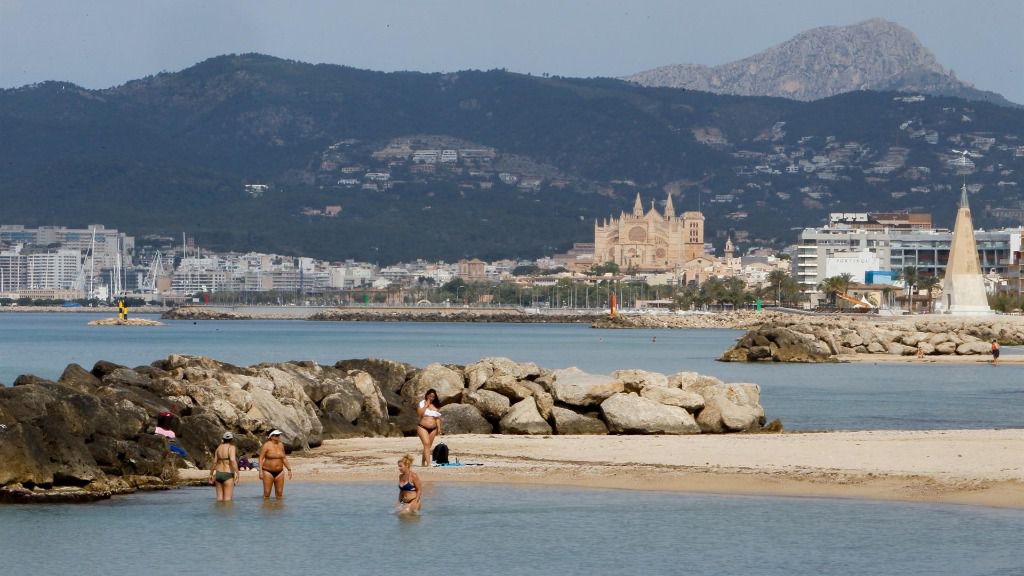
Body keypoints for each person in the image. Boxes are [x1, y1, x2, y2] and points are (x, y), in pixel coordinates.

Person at [258, 429, 292, 499]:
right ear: (271, 436)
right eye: (276, 435)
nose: (278, 437)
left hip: (280, 472)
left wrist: (289, 469)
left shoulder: (281, 445)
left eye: (279, 435)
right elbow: (261, 458)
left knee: (279, 494)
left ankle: (279, 509)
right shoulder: (266, 445)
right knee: (267, 494)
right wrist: (260, 471)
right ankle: (267, 508)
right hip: (267, 472)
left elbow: (284, 458)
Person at [208, 431, 239, 501]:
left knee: (219, 499)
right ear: (231, 439)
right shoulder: (231, 447)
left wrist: (211, 474)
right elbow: (232, 460)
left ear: (223, 439)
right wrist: (237, 473)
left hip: (218, 474)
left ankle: (219, 512)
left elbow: (215, 462)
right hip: (228, 474)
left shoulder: (218, 448)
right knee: (228, 500)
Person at [416, 389, 442, 467]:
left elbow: (437, 418)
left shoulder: (435, 406)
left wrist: (439, 428)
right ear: (427, 395)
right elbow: (420, 414)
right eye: (430, 396)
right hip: (422, 427)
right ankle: (429, 464)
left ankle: (423, 463)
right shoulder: (422, 403)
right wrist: (426, 405)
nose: (432, 398)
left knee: (428, 446)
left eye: (433, 397)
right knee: (426, 444)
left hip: (434, 429)